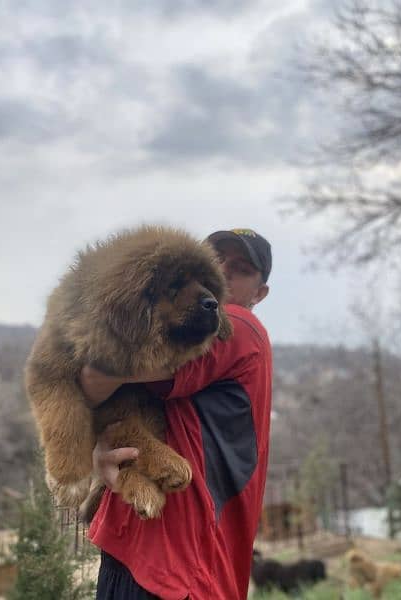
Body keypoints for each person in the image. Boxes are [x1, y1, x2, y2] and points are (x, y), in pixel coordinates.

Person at [81, 228, 273, 600]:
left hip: (178, 568)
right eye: (215, 259)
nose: (224, 271)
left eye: (242, 268)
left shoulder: (238, 326)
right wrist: (99, 448)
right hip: (139, 544)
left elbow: (93, 374)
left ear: (259, 293)